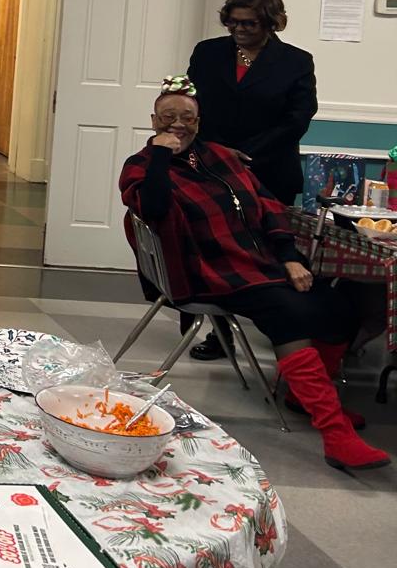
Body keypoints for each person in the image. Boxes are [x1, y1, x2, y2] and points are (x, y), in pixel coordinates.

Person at [120, 77, 387, 472]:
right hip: (206, 272)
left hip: (257, 264)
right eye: (168, 116)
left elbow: (268, 207)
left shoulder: (220, 157)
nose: (178, 124)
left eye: (187, 117)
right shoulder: (140, 166)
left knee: (340, 302)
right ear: (153, 120)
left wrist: (289, 256)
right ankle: (335, 433)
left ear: (199, 122)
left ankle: (301, 396)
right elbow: (154, 208)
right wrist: (160, 154)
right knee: (286, 313)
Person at [179, 0, 318, 361]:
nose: (239, 30)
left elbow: (297, 118)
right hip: (211, 167)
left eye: (249, 24)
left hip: (270, 169)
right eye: (233, 22)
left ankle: (282, 327)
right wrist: (219, 152)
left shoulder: (296, 61)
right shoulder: (207, 52)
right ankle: (220, 332)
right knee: (215, 250)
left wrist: (247, 154)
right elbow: (192, 104)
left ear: (272, 24)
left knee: (269, 251)